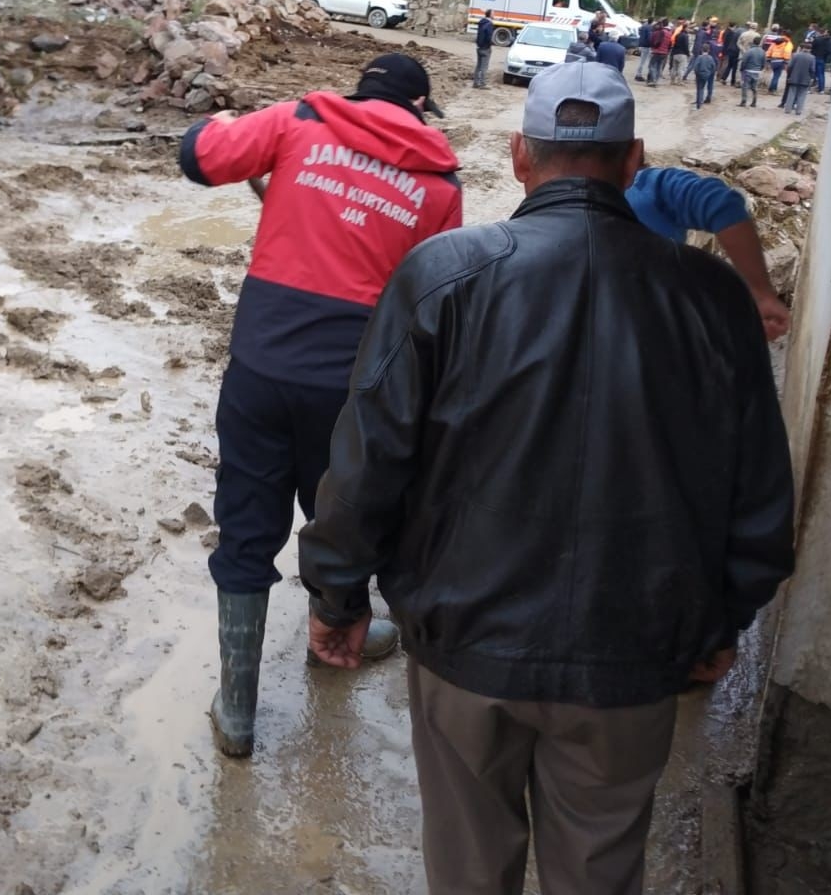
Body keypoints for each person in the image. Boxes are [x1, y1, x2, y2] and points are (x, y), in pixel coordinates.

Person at [298, 62, 796, 895]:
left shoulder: (442, 276)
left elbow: (367, 462)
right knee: (600, 869)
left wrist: (336, 597)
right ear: (633, 159)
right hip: (634, 653)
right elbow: (758, 487)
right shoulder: (711, 298)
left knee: (466, 867)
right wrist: (723, 620)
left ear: (518, 155)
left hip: (465, 646)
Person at [178, 53, 463, 759]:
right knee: (338, 511)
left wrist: (211, 124)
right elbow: (433, 297)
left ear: (358, 92)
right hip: (353, 390)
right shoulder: (439, 185)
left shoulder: (298, 123)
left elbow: (198, 159)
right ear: (420, 110)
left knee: (247, 527)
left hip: (261, 372)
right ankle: (335, 626)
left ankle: (238, 710)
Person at [627, 166, 791, 339]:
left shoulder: (646, 191)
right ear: (636, 151)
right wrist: (762, 294)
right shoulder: (648, 189)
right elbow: (723, 206)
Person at [783, 40, 817, 116]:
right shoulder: (812, 58)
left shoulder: (795, 55)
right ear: (810, 49)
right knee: (802, 94)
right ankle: (798, 111)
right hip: (805, 78)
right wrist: (811, 77)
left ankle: (788, 109)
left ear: (802, 48)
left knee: (791, 93)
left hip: (794, 77)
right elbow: (812, 69)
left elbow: (790, 66)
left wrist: (789, 75)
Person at [739, 39, 768, 107]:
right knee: (754, 88)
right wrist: (760, 69)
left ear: (753, 42)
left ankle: (744, 101)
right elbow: (764, 62)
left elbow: (744, 61)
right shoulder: (762, 52)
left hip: (748, 71)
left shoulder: (749, 51)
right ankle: (754, 102)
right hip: (757, 72)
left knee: (745, 87)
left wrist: (742, 69)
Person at [766, 28, 792, 95]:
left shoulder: (776, 41)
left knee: (774, 75)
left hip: (773, 60)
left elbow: (770, 49)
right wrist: (786, 61)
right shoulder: (788, 43)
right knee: (776, 76)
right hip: (780, 60)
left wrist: (768, 58)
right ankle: (772, 89)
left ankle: (770, 89)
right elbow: (787, 52)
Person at [646, 18, 672, 85]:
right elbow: (670, 44)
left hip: (657, 51)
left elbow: (655, 41)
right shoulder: (669, 33)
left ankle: (653, 80)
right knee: (659, 67)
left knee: (651, 66)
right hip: (664, 53)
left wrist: (654, 46)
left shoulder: (660, 32)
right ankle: (656, 81)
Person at [811, 26, 831, 93]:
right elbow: (830, 51)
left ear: (827, 33)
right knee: (821, 74)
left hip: (815, 57)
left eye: (825, 32)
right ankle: (821, 89)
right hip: (823, 59)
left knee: (812, 72)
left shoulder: (818, 39)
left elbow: (813, 46)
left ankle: (810, 88)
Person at [474, 12, 495, 87]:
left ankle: (475, 83)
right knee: (484, 67)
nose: (494, 15)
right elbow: (489, 36)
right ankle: (482, 83)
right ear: (490, 15)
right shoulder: (489, 24)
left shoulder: (481, 22)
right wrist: (490, 44)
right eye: (493, 13)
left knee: (478, 66)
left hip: (479, 47)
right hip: (486, 48)